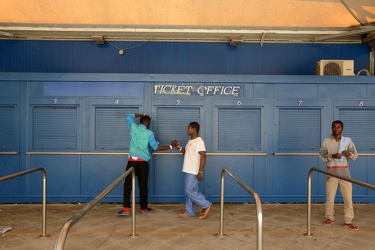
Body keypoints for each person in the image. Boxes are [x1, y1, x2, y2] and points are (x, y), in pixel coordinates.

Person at [118, 113, 177, 216]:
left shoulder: (133, 128)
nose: (149, 124)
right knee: (143, 186)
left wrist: (143, 114)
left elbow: (128, 116)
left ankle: (126, 209)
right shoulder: (149, 133)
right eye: (148, 122)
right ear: (146, 122)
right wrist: (171, 146)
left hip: (132, 161)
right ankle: (144, 208)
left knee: (127, 185)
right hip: (143, 163)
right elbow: (155, 147)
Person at [319, 120, 359, 230]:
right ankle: (330, 218)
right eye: (334, 127)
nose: (336, 129)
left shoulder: (348, 141)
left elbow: (355, 156)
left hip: (344, 173)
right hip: (331, 173)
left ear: (342, 128)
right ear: (332, 128)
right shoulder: (327, 141)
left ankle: (348, 221)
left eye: (339, 127)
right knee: (330, 197)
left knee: (348, 198)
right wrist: (332, 156)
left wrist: (348, 154)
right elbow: (322, 155)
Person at [176, 121, 212, 219]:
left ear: (194, 129)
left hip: (193, 170)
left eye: (188, 128)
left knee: (189, 191)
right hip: (187, 170)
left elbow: (203, 156)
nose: (187, 130)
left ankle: (206, 204)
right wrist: (179, 148)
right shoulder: (190, 141)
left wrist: (200, 172)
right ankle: (190, 211)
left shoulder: (199, 141)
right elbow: (187, 154)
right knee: (190, 191)